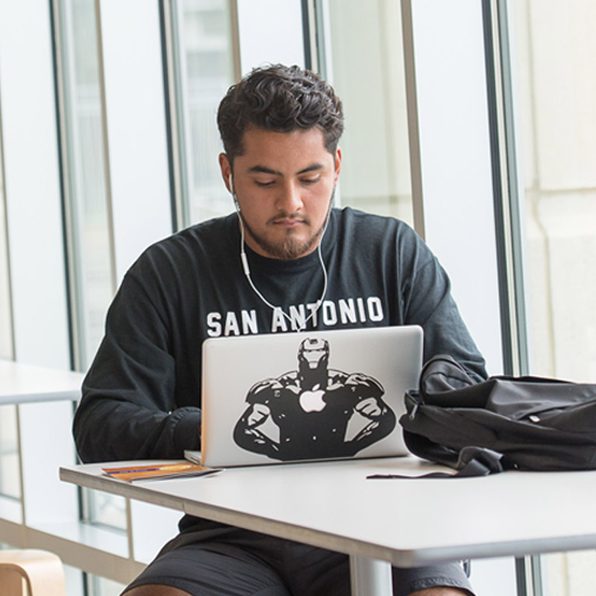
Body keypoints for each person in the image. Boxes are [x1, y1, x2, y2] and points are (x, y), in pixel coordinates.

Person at [73, 64, 486, 596]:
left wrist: (414, 409)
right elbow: (99, 425)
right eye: (265, 180)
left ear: (337, 166)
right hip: (231, 538)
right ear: (228, 173)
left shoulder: (390, 253)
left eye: (310, 178)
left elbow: (468, 389)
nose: (291, 203)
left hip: (388, 523)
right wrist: (209, 431)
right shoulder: (170, 273)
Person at [233, 337, 396, 460]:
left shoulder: (347, 385)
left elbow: (386, 419)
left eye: (318, 351)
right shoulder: (278, 388)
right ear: (300, 355)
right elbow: (242, 431)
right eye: (309, 351)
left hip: (340, 463)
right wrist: (276, 452)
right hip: (286, 466)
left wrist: (353, 448)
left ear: (327, 354)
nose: (313, 356)